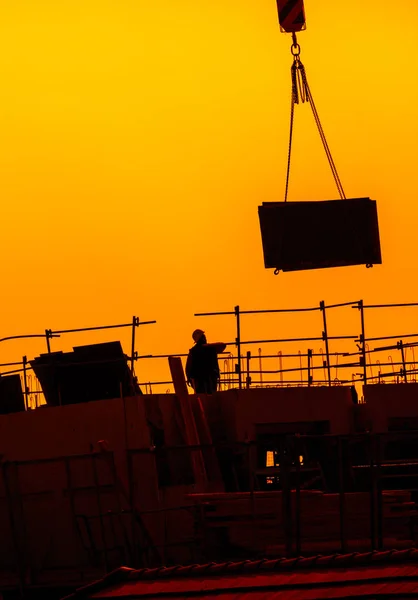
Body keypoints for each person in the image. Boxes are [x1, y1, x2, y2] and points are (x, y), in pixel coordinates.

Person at [185, 329, 226, 394]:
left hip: (204, 378)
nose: (205, 338)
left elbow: (188, 368)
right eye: (203, 337)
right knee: (208, 394)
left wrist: (189, 377)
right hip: (204, 378)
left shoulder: (196, 351)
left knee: (203, 395)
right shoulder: (198, 351)